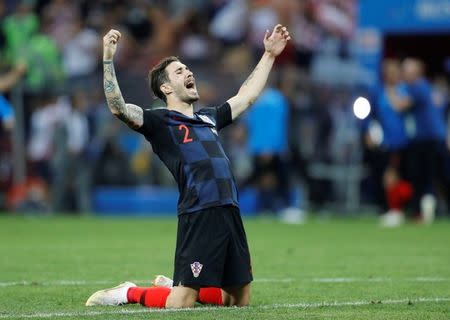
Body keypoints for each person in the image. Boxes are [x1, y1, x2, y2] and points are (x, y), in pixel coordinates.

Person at [86, 24, 291, 309]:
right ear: (166, 87)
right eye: (179, 71)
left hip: (230, 210)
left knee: (238, 302)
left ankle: (176, 285)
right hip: (199, 212)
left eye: (187, 68)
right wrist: (108, 59)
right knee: (181, 305)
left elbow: (246, 96)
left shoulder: (209, 118)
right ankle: (129, 293)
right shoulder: (160, 122)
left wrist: (269, 55)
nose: (189, 72)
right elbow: (118, 108)